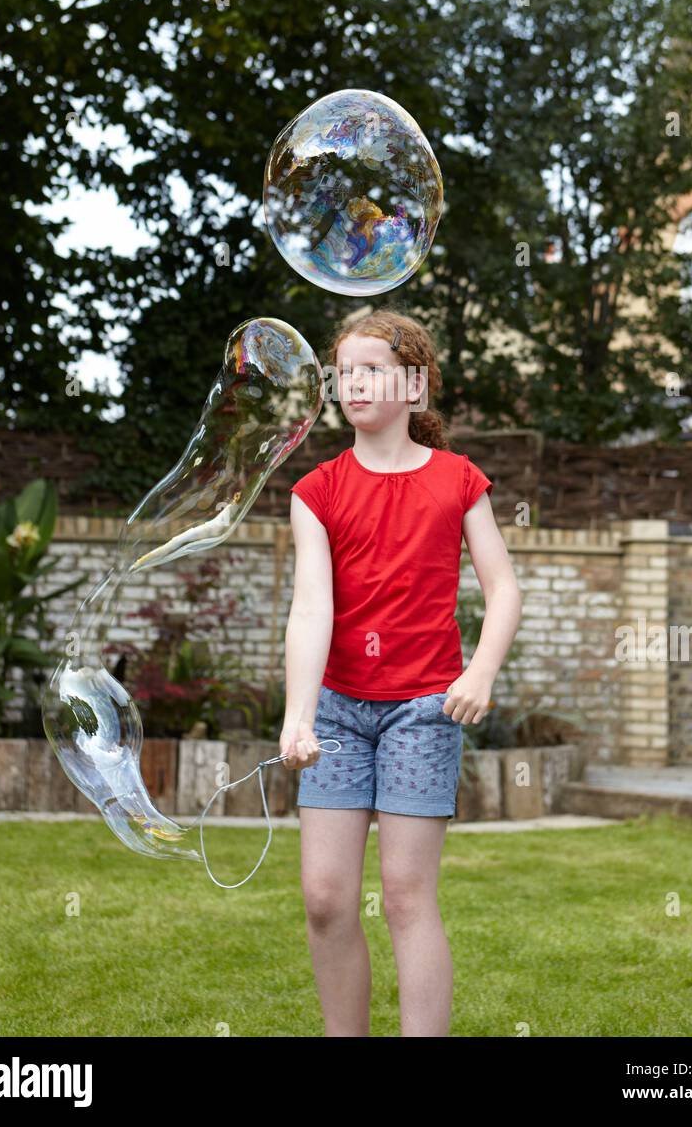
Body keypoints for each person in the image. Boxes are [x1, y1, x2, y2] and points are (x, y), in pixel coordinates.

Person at [281, 307, 523, 1037]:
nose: (353, 383)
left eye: (372, 370)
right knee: (326, 898)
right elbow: (311, 609)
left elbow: (504, 589)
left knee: (406, 896)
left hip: (424, 709)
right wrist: (298, 714)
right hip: (337, 711)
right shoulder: (316, 491)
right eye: (343, 372)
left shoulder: (458, 480)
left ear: (414, 386)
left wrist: (479, 672)